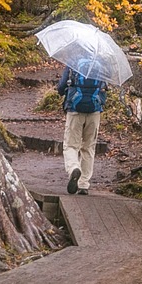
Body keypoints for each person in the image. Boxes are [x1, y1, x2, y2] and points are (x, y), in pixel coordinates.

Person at [57, 63, 109, 194]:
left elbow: (61, 87)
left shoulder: (73, 63)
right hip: (94, 112)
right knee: (89, 147)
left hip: (75, 110)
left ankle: (74, 168)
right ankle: (84, 184)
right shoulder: (101, 65)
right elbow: (104, 89)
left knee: (70, 145)